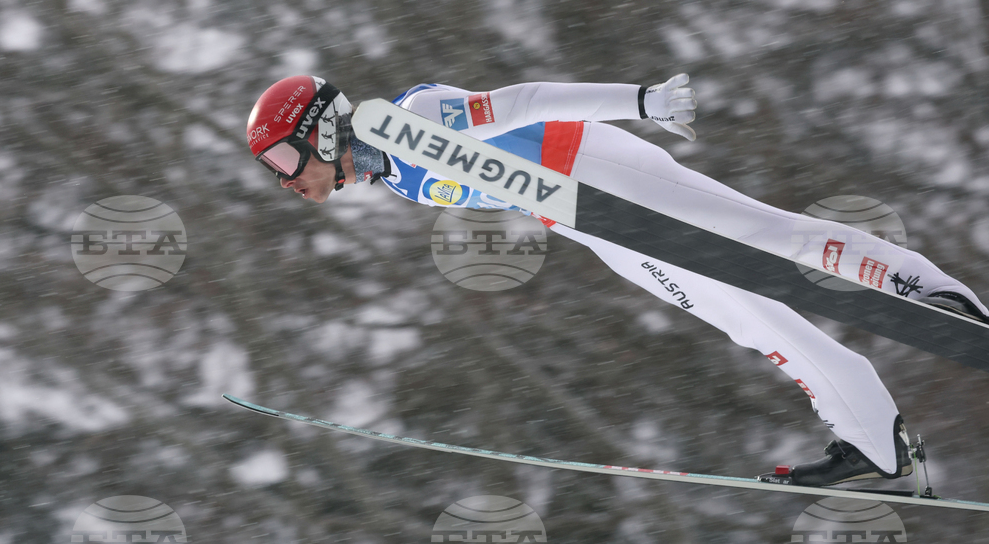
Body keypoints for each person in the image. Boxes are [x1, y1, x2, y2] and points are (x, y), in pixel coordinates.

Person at [245, 74, 989, 486]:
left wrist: (640, 103)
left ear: (321, 129)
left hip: (594, 169)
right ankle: (870, 435)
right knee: (742, 315)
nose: (286, 181)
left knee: (763, 236)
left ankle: (926, 292)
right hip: (582, 217)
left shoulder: (404, 121)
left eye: (283, 160)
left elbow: (524, 103)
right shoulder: (393, 174)